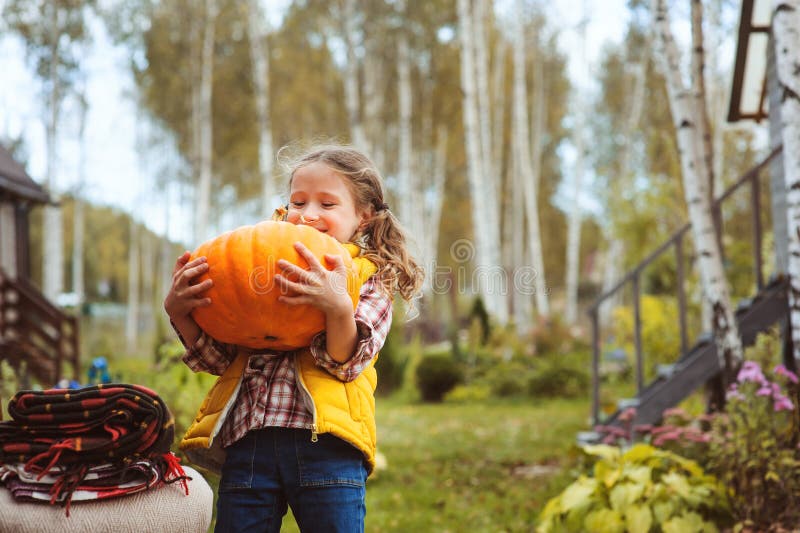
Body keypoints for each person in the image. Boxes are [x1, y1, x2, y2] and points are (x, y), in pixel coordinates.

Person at [164, 145, 423, 533]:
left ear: (364, 217)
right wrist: (180, 312)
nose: (309, 214)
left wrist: (337, 307)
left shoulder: (369, 277)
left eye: (327, 203)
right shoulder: (264, 265)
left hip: (329, 447)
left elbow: (346, 362)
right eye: (298, 201)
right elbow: (219, 360)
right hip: (248, 442)